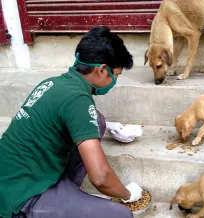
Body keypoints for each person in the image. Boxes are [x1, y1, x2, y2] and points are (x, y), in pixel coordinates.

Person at [0, 26, 143, 218]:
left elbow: (65, 116)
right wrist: (128, 194)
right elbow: (100, 178)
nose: (114, 81)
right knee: (121, 215)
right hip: (20, 195)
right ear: (101, 70)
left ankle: (66, 192)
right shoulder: (78, 100)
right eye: (115, 75)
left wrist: (107, 125)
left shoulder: (53, 83)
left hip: (12, 173)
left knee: (98, 121)